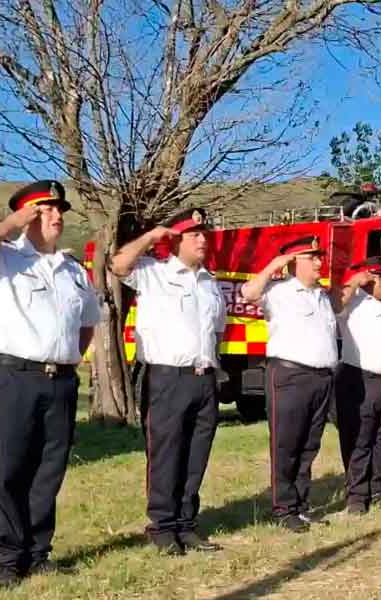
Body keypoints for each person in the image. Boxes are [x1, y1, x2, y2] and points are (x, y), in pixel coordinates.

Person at [0, 180, 102, 589]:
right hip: (11, 377)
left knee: (48, 469)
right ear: (25, 215)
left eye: (59, 209)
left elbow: (87, 323)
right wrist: (9, 224)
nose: (56, 215)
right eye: (45, 209)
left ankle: (38, 553)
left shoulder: (73, 271)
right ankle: (6, 557)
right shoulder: (3, 257)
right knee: (7, 467)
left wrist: (68, 357)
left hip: (60, 380)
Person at [110, 208, 226, 554]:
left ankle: (187, 524)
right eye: (194, 234)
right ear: (175, 239)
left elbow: (215, 331)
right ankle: (162, 526)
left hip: (203, 378)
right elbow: (118, 265)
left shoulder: (210, 283)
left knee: (196, 455)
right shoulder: (152, 272)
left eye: (204, 233)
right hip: (166, 377)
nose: (203, 239)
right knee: (166, 454)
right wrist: (150, 237)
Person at [240, 236, 337, 532]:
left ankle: (300, 504)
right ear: (295, 261)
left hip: (321, 378)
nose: (320, 261)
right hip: (289, 375)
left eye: (319, 256)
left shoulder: (321, 295)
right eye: (312, 257)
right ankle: (283, 507)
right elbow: (248, 292)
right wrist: (274, 265)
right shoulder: (278, 291)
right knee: (287, 444)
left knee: (309, 444)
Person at [333, 259, 381, 514]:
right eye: (378, 276)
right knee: (358, 441)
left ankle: (379, 491)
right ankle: (356, 497)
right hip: (360, 380)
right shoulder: (352, 303)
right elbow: (335, 303)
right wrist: (355, 282)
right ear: (366, 278)